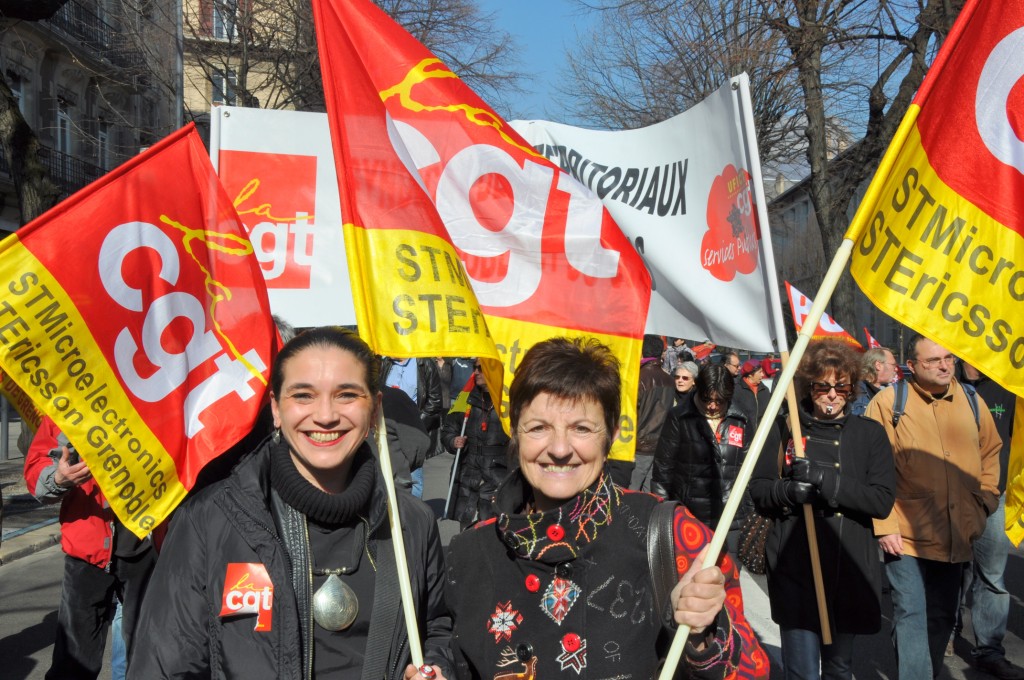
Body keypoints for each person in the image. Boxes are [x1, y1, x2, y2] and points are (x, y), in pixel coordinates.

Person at [130, 327, 452, 679]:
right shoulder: (211, 520)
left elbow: (436, 627)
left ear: (374, 409)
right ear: (276, 409)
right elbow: (164, 665)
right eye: (303, 395)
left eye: (346, 395)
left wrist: (436, 666)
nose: (325, 415)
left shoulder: (411, 523)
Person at [445, 337, 768, 679]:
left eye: (581, 428)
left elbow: (751, 670)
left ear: (611, 434)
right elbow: (447, 647)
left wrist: (704, 637)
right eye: (539, 427)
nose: (558, 449)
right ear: (515, 430)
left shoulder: (670, 535)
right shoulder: (469, 552)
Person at [749, 339, 895, 680]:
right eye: (822, 386)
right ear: (809, 386)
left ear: (852, 388)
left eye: (841, 386)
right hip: (797, 565)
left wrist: (825, 480)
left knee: (839, 667)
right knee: (801, 671)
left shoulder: (870, 434)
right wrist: (787, 491)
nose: (832, 394)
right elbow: (758, 488)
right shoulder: (785, 428)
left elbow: (881, 499)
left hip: (849, 566)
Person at [865, 334, 1001, 680]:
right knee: (911, 611)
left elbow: (990, 452)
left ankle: (927, 671)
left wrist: (984, 501)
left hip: (957, 531)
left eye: (949, 358)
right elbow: (868, 467)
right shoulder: (887, 403)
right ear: (911, 366)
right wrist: (885, 524)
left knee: (942, 615)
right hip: (905, 535)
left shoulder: (971, 400)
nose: (945, 365)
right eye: (933, 360)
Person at [24, 415, 157, 680]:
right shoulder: (74, 398)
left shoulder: (160, 390)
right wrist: (58, 479)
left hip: (148, 547)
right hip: (87, 550)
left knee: (145, 658)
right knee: (73, 662)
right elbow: (37, 469)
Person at [953, 360, 1022, 679]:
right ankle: (944, 635)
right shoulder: (942, 382)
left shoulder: (1009, 386)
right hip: (948, 495)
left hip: (995, 496)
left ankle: (989, 651)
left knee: (992, 577)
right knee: (950, 569)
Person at [652, 364, 754, 557]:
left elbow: (749, 469)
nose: (713, 406)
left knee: (727, 580)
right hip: (690, 517)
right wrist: (664, 513)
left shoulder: (741, 420)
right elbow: (663, 469)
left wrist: (747, 510)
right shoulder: (679, 417)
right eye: (707, 399)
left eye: (719, 401)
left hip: (731, 518)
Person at [441, 359, 510, 529]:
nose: (476, 372)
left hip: (498, 475)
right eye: (475, 368)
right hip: (469, 472)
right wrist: (453, 440)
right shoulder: (466, 398)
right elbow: (448, 429)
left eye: (481, 368)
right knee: (466, 527)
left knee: (493, 529)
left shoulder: (508, 402)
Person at [379, 356, 444, 498]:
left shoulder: (424, 363)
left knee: (413, 479)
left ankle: (414, 515)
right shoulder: (384, 362)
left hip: (413, 428)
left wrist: (416, 424)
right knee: (387, 476)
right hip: (386, 428)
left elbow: (435, 401)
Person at [632, 334, 676, 492]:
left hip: (639, 446)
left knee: (629, 492)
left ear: (641, 352)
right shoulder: (670, 380)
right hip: (659, 445)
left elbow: (631, 414)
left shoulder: (638, 378)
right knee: (649, 493)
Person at [850, 347, 898, 415]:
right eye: (893, 365)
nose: (896, 369)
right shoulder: (856, 392)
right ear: (878, 365)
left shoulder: (890, 393)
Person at [734, 359, 771, 430]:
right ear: (750, 375)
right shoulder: (737, 390)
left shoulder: (764, 390)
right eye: (760, 372)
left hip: (762, 433)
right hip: (744, 433)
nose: (763, 375)